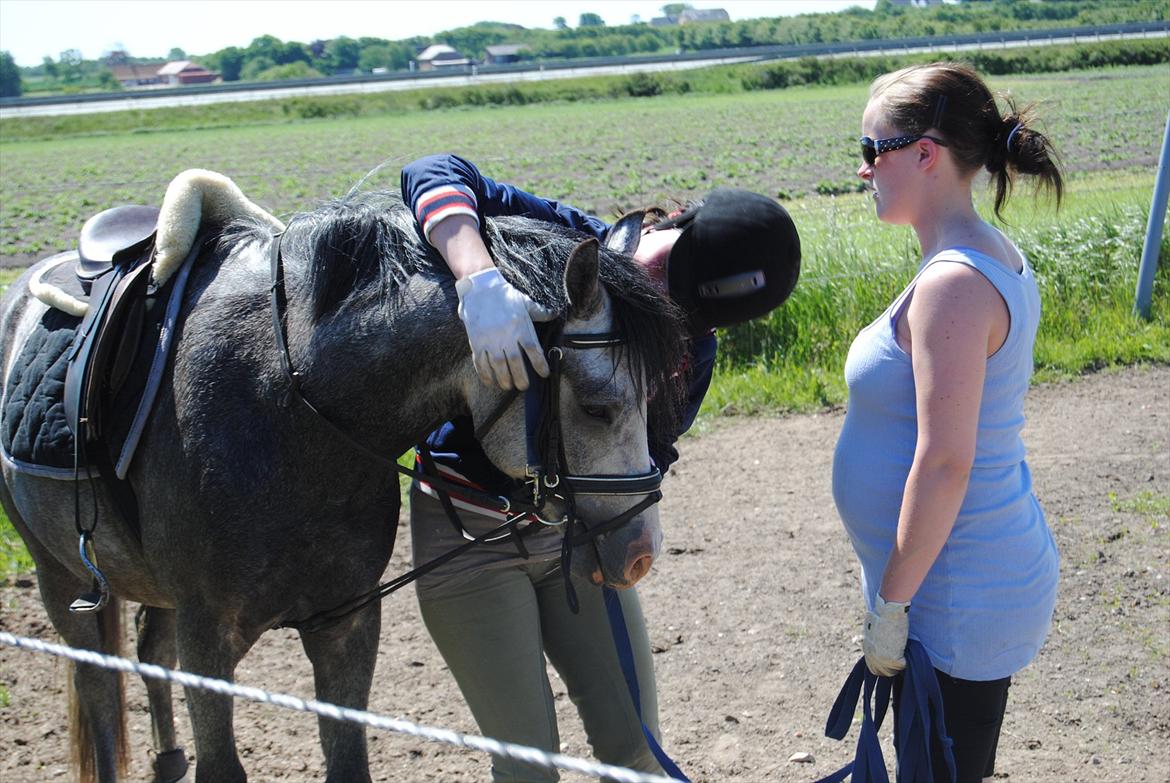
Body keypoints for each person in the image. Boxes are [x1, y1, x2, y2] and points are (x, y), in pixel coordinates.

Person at [400, 153, 800, 781]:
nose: (661, 307)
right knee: (529, 770)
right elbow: (433, 171)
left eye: (683, 311)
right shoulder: (567, 238)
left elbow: (647, 458)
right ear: (668, 224)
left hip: (576, 539)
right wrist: (477, 279)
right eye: (665, 276)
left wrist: (623, 533)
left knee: (639, 752)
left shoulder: (690, 347)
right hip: (469, 534)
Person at [832, 63, 1064, 782]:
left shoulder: (954, 283)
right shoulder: (977, 256)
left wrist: (892, 605)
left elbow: (944, 463)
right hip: (961, 582)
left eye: (872, 150)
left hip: (957, 596)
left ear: (925, 153)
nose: (863, 169)